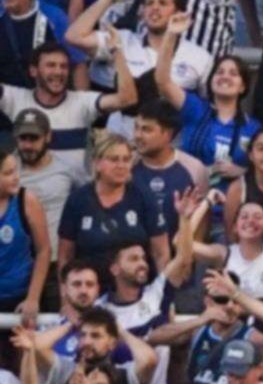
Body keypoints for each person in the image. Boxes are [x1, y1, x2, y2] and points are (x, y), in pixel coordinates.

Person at [93, 191, 197, 384]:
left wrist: (184, 219)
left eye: (143, 258)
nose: (142, 263)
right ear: (115, 269)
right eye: (133, 259)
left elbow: (183, 260)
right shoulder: (100, 310)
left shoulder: (155, 294)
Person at [64, 0, 213, 137]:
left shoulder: (200, 57)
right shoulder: (122, 39)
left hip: (171, 144)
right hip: (118, 142)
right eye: (149, 3)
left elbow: (207, 108)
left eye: (163, 3)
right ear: (141, 13)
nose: (155, 7)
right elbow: (73, 36)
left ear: (179, 13)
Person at [155, 13, 260, 192]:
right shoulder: (196, 108)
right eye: (219, 72)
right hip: (188, 198)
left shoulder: (253, 127)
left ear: (243, 86)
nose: (225, 77)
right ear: (211, 81)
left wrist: (242, 171)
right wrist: (171, 34)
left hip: (229, 204)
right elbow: (163, 82)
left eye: (233, 73)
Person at [0, 41, 136, 167]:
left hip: (74, 185)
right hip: (27, 184)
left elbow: (127, 99)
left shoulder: (82, 102)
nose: (58, 72)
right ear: (33, 71)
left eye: (63, 66)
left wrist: (117, 51)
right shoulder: (16, 99)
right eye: (51, 65)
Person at [57, 134, 170, 272]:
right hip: (91, 283)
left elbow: (160, 253)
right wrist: (65, 284)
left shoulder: (143, 197)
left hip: (135, 282)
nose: (121, 165)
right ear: (97, 163)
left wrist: (161, 284)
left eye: (126, 159)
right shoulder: (77, 200)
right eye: (114, 159)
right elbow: (65, 255)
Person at [13, 108, 88, 310]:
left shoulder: (68, 169)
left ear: (48, 137)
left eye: (34, 138)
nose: (28, 145)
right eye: (23, 138)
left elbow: (89, 198)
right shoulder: (7, 172)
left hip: (55, 265)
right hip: (16, 266)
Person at [191, 200, 263, 315]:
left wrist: (237, 309)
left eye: (258, 217)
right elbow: (181, 243)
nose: (250, 221)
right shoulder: (223, 253)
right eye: (244, 217)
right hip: (230, 323)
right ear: (235, 227)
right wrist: (207, 202)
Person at [131, 100, 210, 239]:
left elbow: (201, 222)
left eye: (146, 129)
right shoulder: (127, 164)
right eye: (136, 128)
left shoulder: (194, 168)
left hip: (178, 249)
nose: (137, 135)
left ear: (167, 134)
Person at [0, 0, 85, 89]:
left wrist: (81, 99)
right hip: (7, 95)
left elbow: (78, 65)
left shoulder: (54, 17)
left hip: (47, 95)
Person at [0, 148, 51, 327]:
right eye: (8, 173)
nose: (16, 177)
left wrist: (33, 298)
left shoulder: (27, 201)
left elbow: (44, 250)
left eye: (16, 171)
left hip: (20, 296)